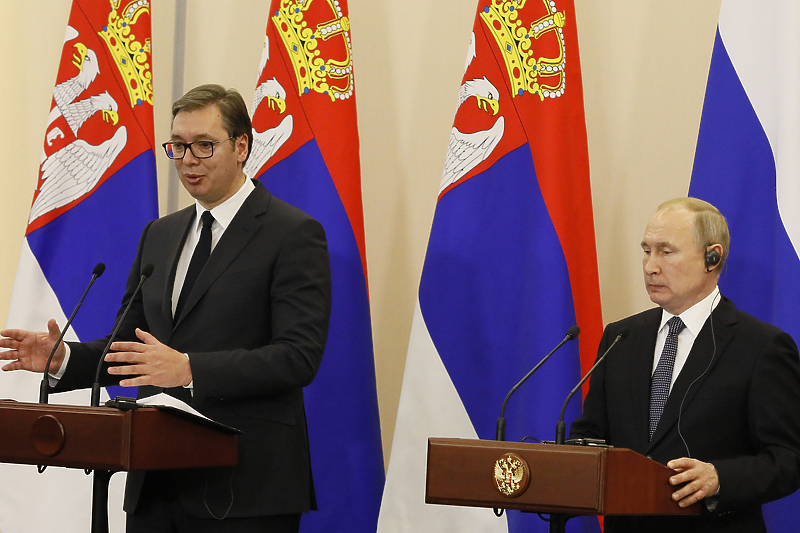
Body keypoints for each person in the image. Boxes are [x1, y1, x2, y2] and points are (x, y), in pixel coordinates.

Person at [0, 84, 332, 533]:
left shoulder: (292, 233)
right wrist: (65, 359)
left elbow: (297, 356)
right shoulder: (160, 233)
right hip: (155, 486)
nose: (188, 159)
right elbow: (130, 346)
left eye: (203, 145)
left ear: (241, 147)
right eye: (177, 146)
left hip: (245, 488)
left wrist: (190, 368)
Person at [570, 197, 800, 532]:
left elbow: (788, 458)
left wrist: (720, 477)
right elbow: (590, 434)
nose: (650, 266)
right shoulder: (620, 338)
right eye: (646, 250)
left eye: (666, 251)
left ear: (712, 257)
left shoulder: (761, 347)